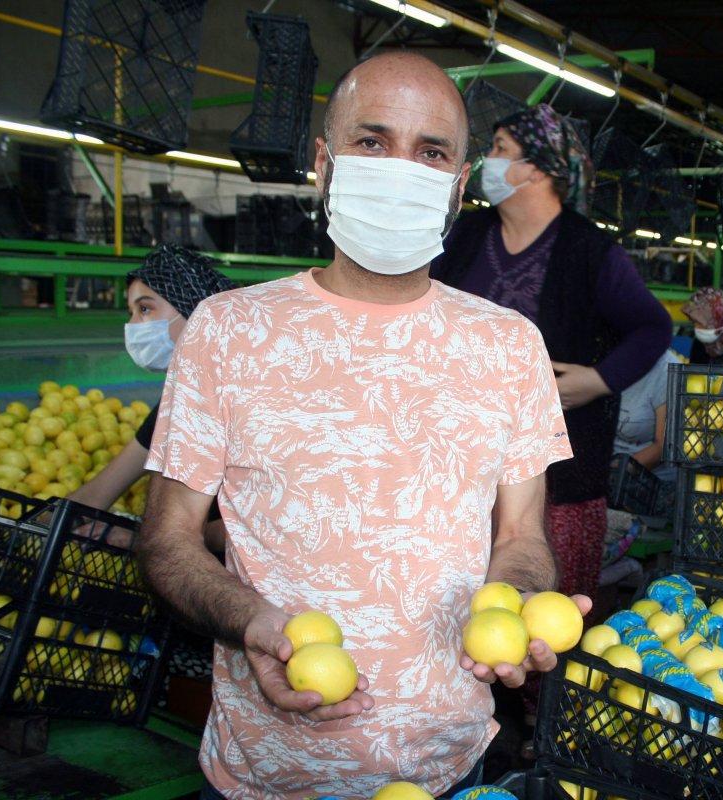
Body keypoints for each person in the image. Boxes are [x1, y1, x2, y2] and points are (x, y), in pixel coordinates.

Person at [137, 53, 579, 799]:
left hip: (446, 763)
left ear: (457, 186)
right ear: (323, 164)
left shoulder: (509, 346)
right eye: (372, 142)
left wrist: (516, 604)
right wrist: (250, 623)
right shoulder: (228, 333)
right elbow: (167, 537)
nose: (401, 169)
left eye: (431, 152)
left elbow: (520, 539)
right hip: (261, 773)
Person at [432, 104, 672, 602]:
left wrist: (599, 380)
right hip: (454, 455)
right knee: (451, 604)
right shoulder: (465, 235)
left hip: (558, 473)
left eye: (501, 150)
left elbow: (653, 327)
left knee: (535, 613)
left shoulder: (590, 252)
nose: (489, 161)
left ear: (539, 168)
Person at [68, 243, 233, 553]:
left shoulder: (244, 398)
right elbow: (101, 490)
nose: (132, 326)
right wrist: (33, 526)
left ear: (195, 309)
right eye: (131, 311)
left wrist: (141, 536)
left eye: (145, 309)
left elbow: (261, 527)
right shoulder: (176, 404)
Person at [613, 349, 680, 482]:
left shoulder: (667, 370)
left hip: (646, 482)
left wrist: (614, 473)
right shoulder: (600, 361)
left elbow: (663, 447)